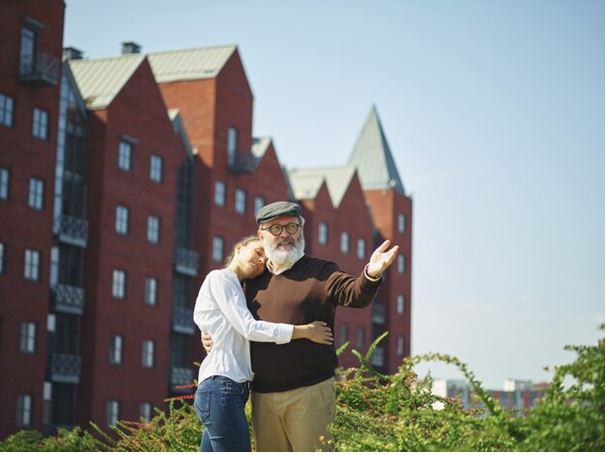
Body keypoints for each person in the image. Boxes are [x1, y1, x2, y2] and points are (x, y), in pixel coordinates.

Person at [202, 201, 399, 451]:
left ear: (301, 230)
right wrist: (208, 335)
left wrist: (372, 273)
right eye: (275, 228)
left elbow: (355, 294)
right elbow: (229, 318)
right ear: (261, 235)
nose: (284, 234)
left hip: (310, 393)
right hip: (262, 396)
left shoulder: (321, 272)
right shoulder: (251, 281)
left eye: (291, 226)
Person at [193, 235, 334, 452]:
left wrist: (209, 333)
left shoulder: (240, 291)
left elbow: (217, 323)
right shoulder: (220, 278)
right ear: (239, 248)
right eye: (258, 251)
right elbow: (249, 328)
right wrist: (303, 331)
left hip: (227, 390)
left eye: (264, 261)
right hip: (221, 387)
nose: (260, 260)